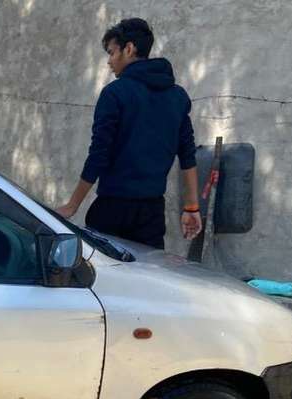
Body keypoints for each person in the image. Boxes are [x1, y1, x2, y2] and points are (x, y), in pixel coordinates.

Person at [56, 18, 202, 248]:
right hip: (152, 214)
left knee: (102, 276)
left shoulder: (115, 94)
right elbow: (187, 154)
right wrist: (192, 207)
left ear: (129, 49)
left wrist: (72, 205)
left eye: (112, 52)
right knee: (148, 279)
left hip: (112, 209)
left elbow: (98, 156)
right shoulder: (178, 97)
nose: (109, 61)